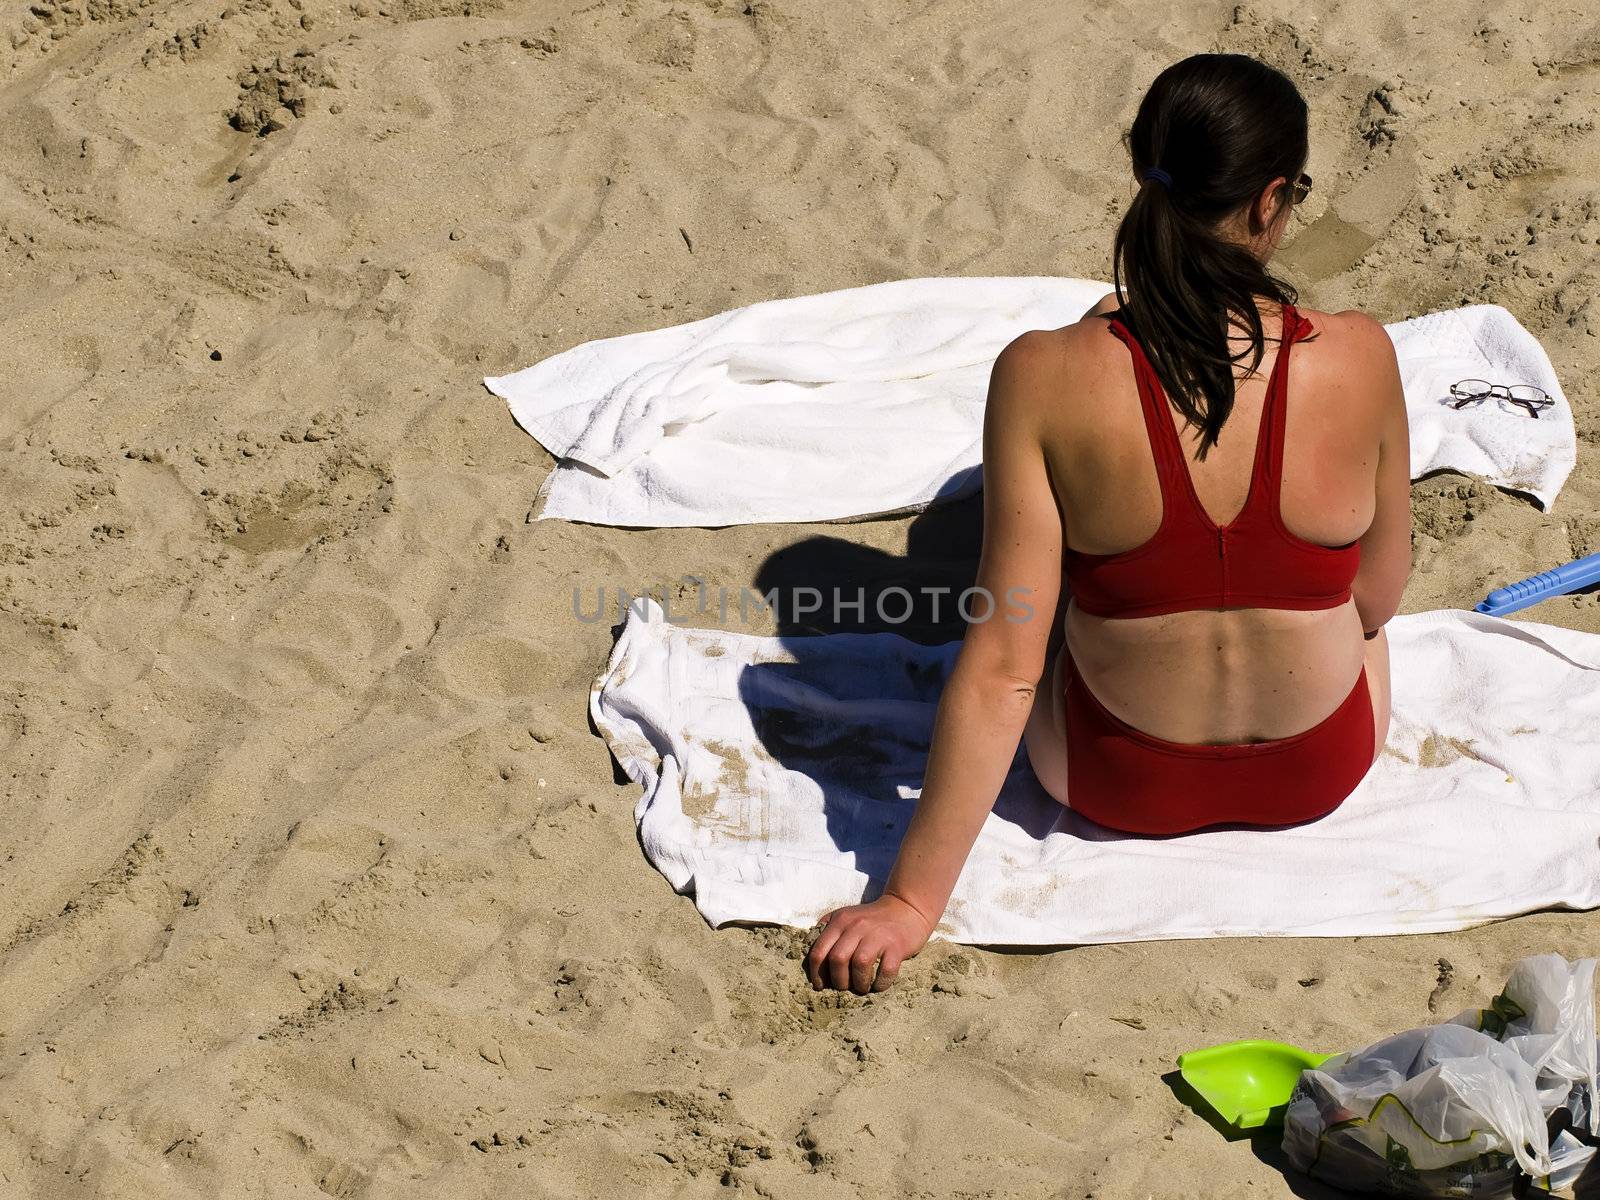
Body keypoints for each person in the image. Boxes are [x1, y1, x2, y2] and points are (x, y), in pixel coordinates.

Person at [805, 52, 1412, 995]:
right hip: (1318, 770)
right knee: (1347, 613)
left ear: (1144, 172)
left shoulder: (1042, 374)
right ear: (1272, 202)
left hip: (1116, 782)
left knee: (1044, 609)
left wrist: (909, 903)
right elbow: (1378, 593)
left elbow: (1003, 670)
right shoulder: (1364, 356)